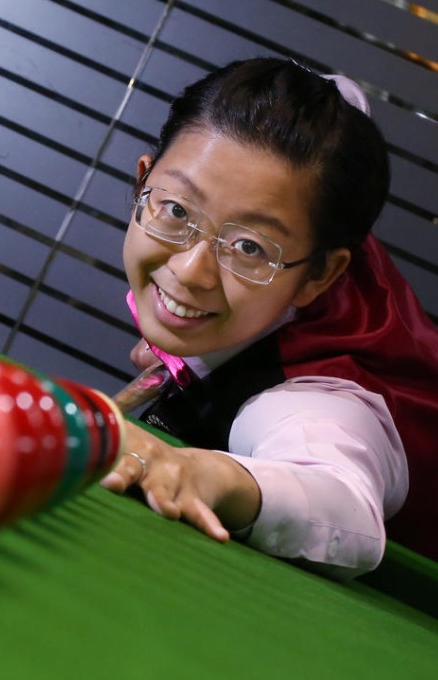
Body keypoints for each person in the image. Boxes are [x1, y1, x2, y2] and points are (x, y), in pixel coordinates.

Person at [98, 57, 438, 579]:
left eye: (250, 247)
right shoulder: (302, 201)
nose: (191, 271)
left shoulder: (317, 399)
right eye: (178, 211)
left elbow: (342, 502)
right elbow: (340, 93)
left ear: (321, 277)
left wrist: (213, 475)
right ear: (144, 180)